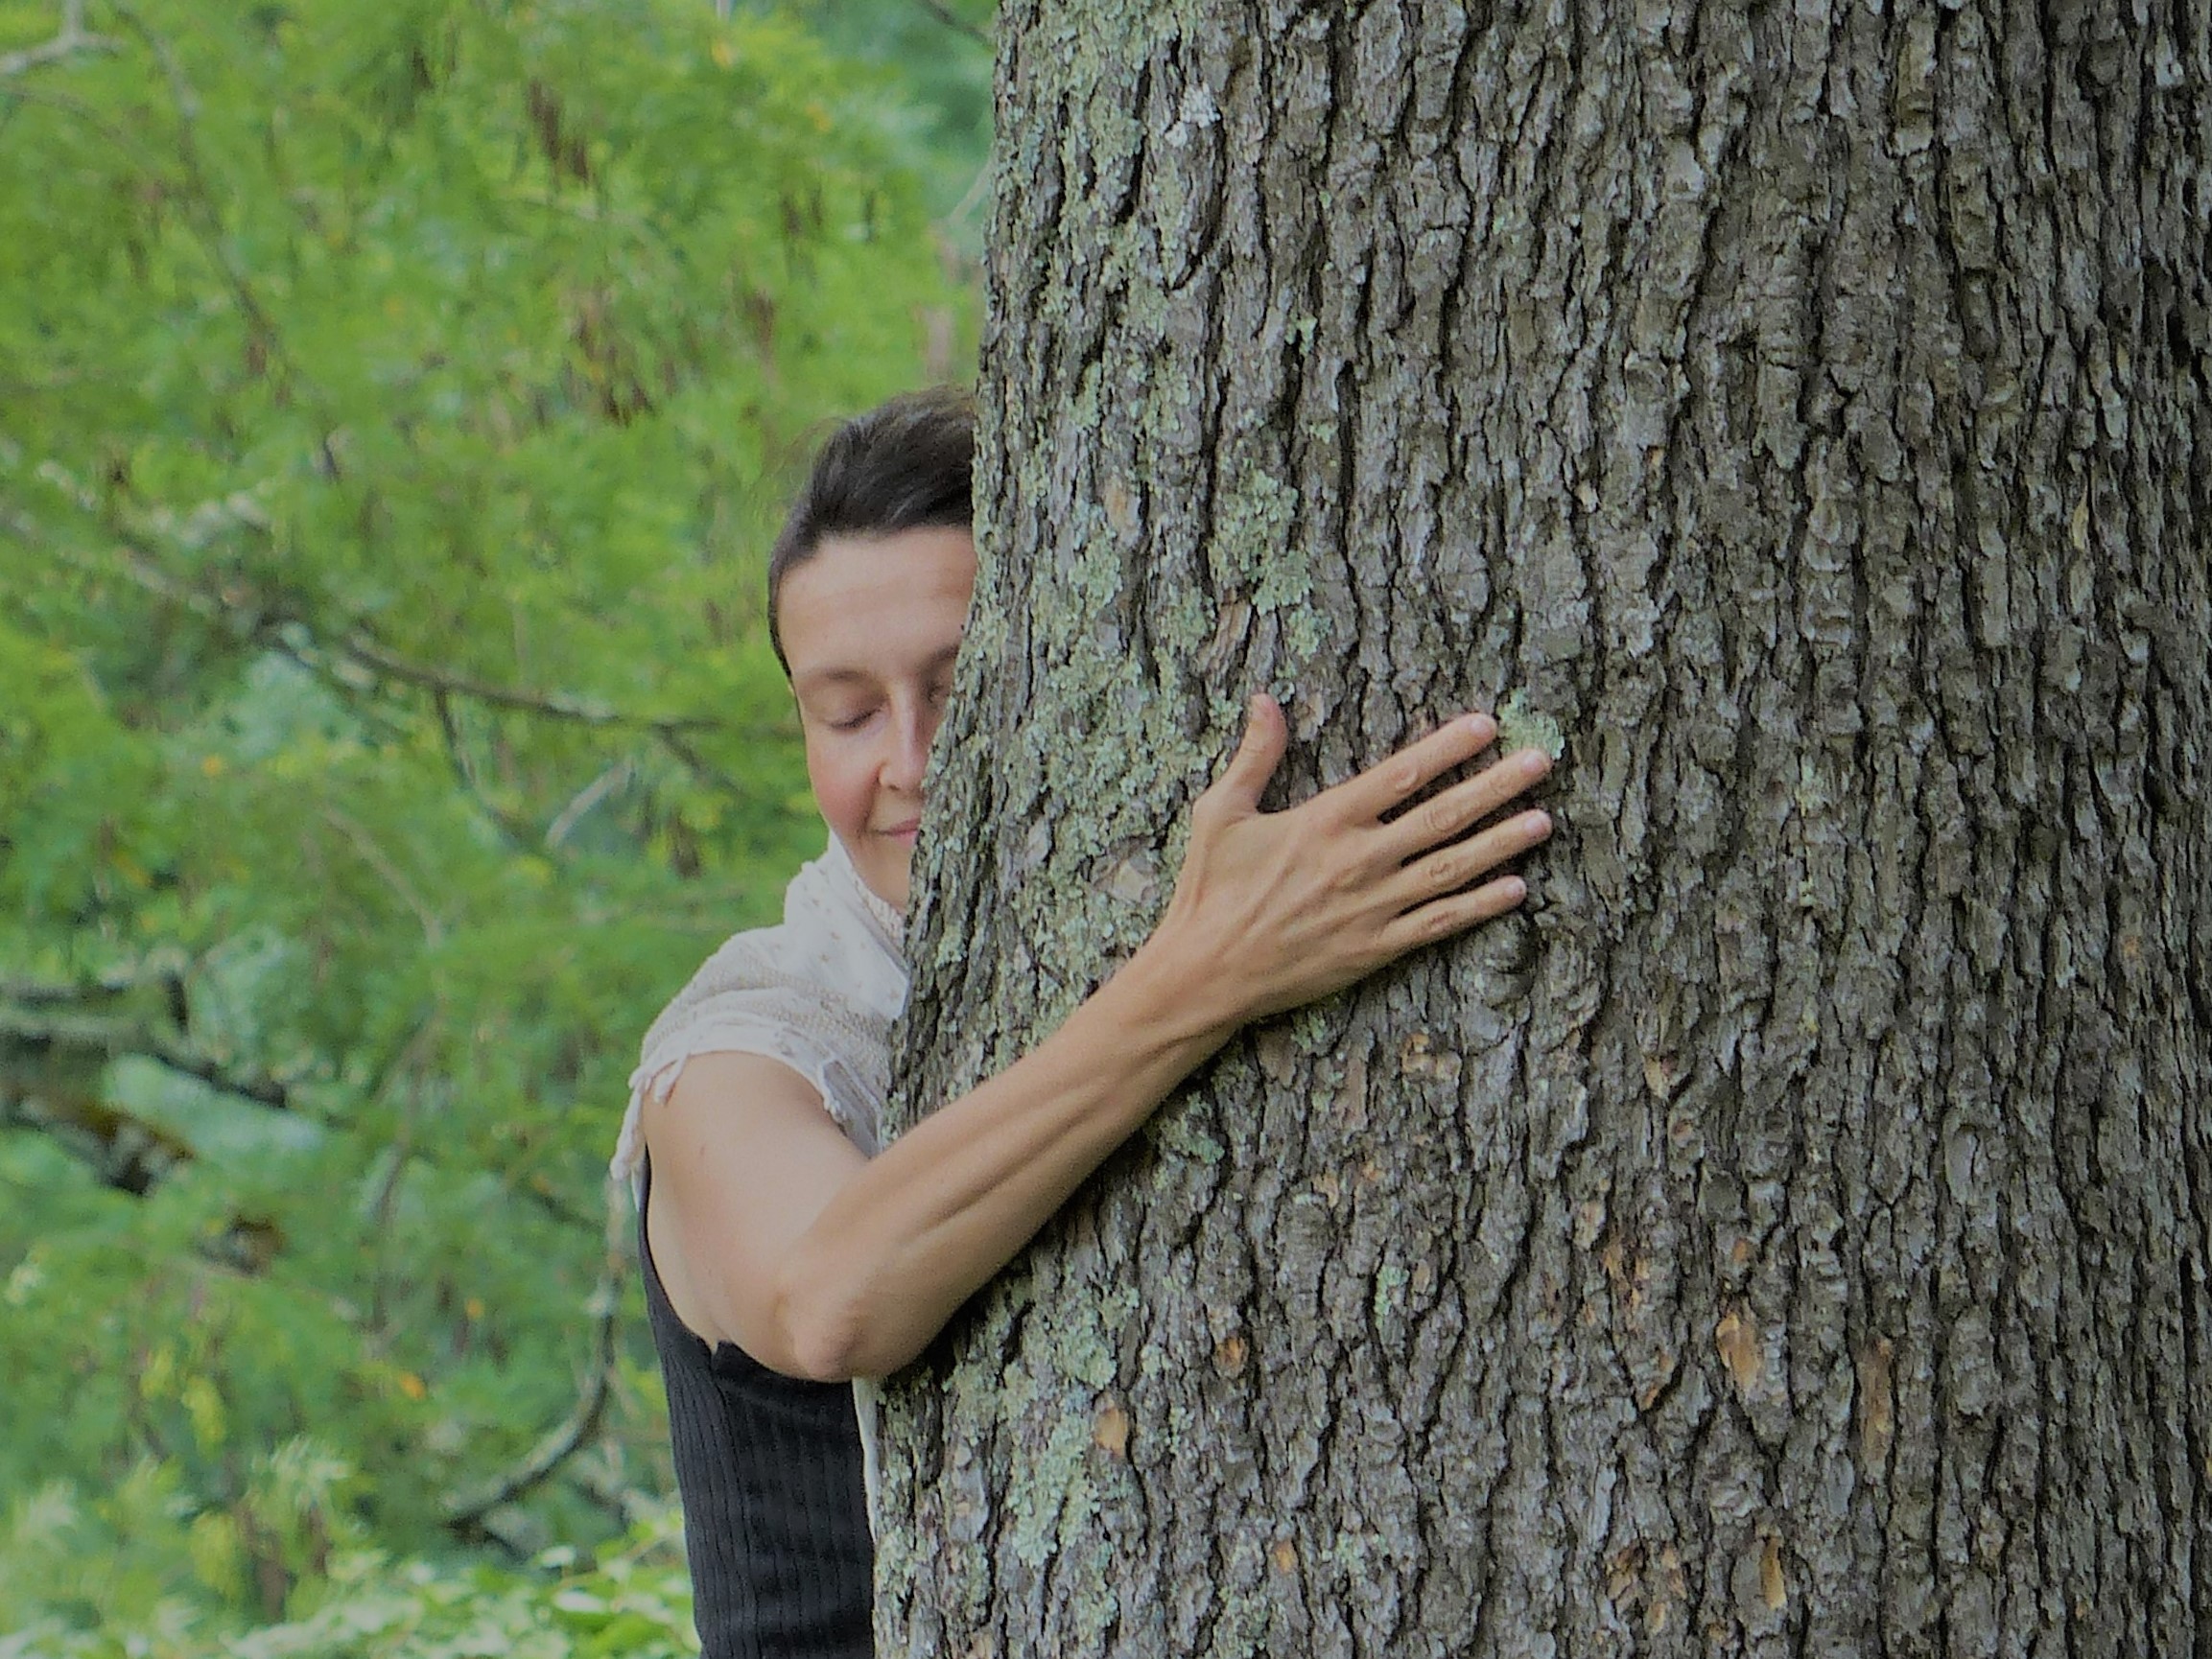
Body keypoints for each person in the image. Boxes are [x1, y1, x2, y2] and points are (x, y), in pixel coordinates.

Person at [609, 388, 1556, 1659]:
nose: (908, 756)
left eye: (959, 683)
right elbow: (831, 1296)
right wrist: (1205, 977)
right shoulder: (741, 1040)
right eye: (844, 711)